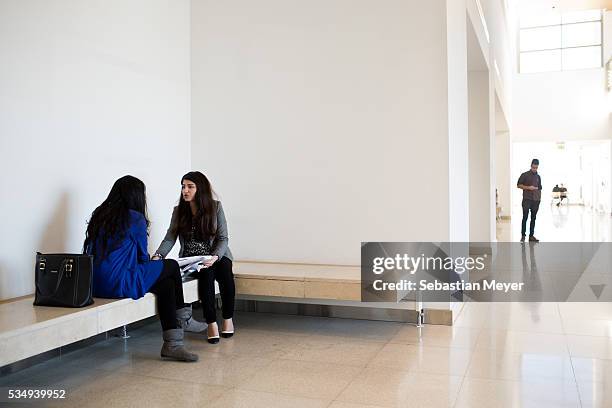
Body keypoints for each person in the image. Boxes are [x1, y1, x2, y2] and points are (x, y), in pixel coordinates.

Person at [83, 175, 199, 362]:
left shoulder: (100, 215)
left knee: (166, 285)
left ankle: (173, 345)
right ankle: (184, 318)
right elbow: (142, 258)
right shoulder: (135, 218)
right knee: (171, 266)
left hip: (95, 284)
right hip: (119, 283)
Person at [153, 171, 235, 344]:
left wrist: (214, 256)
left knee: (225, 272)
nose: (185, 191)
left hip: (216, 255)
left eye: (190, 187)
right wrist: (159, 255)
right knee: (206, 274)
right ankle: (211, 322)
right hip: (192, 259)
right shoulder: (179, 211)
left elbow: (223, 238)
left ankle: (228, 318)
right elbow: (170, 237)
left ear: (201, 189)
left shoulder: (216, 207)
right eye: (183, 186)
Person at [517, 159, 542, 242]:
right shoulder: (524, 175)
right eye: (533, 167)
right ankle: (523, 235)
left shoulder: (538, 177)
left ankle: (531, 236)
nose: (535, 169)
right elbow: (519, 185)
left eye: (536, 167)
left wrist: (537, 191)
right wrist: (528, 187)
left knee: (533, 218)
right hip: (527, 199)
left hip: (536, 200)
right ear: (531, 165)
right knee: (525, 217)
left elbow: (540, 187)